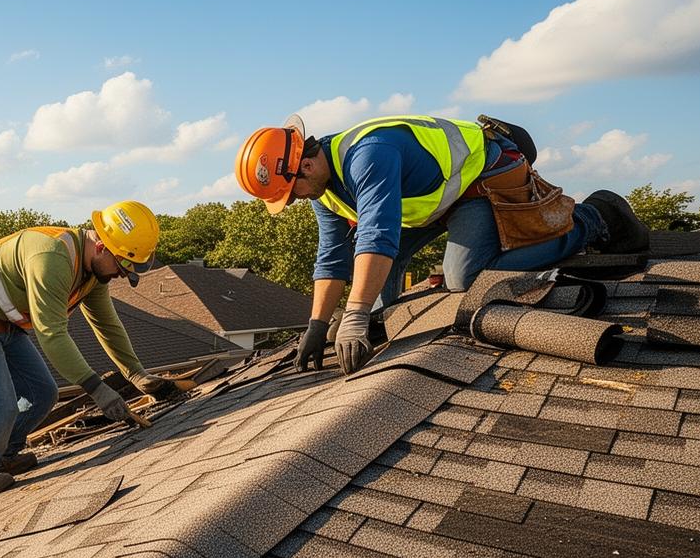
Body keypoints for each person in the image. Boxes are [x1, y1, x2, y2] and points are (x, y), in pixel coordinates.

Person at [234, 113, 649, 375]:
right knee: (374, 269)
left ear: (305, 163)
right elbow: (334, 258)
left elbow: (378, 236)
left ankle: (593, 219)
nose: (296, 199)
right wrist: (318, 326)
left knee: (464, 276)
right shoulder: (322, 188)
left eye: (293, 190)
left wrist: (355, 314)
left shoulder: (368, 154)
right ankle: (378, 327)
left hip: (480, 179)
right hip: (432, 200)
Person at [0, 200, 168, 497]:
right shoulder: (51, 258)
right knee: (1, 406)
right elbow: (52, 334)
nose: (121, 275)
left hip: (2, 323)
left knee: (42, 393)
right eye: (122, 266)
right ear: (101, 245)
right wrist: (98, 390)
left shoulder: (93, 272)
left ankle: (3, 455)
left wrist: (136, 374)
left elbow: (106, 323)